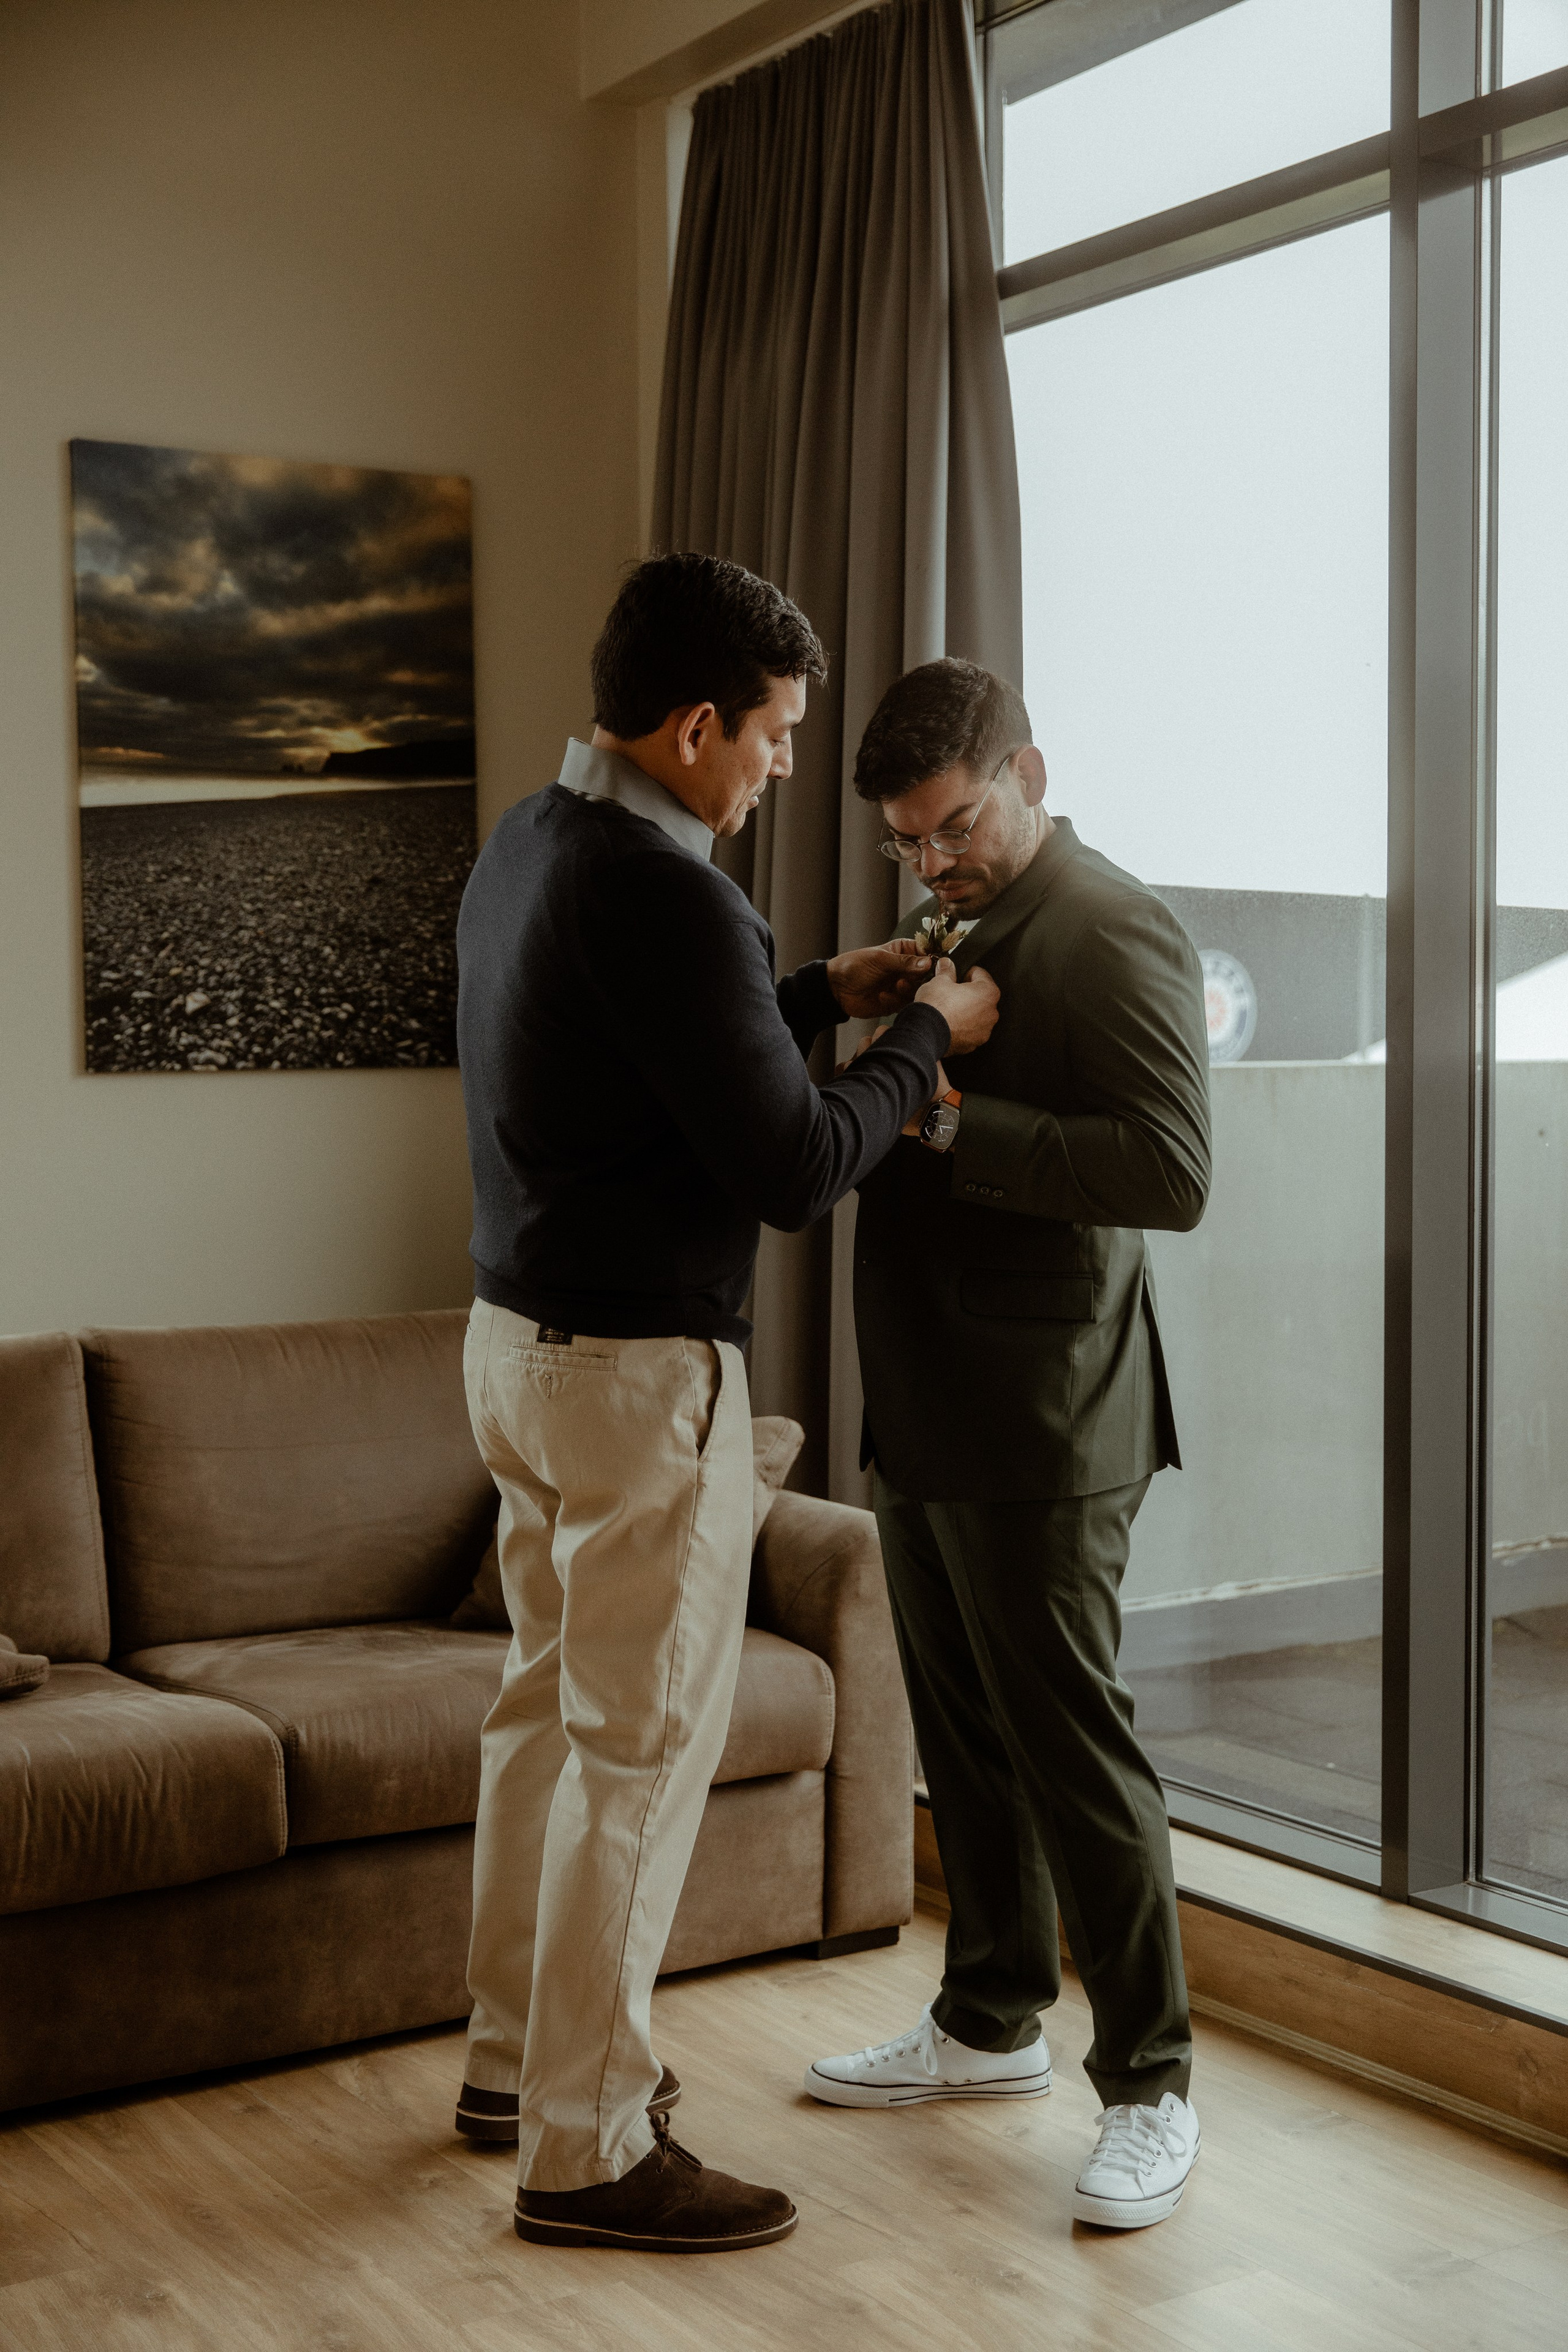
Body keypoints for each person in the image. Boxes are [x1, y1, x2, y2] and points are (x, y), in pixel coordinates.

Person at [453, 558, 1000, 2255]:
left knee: (543, 1727)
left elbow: (631, 1060)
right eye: (769, 739)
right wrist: (925, 1039)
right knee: (640, 1759)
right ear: (699, 727)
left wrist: (810, 995)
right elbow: (787, 1163)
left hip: (513, 1350)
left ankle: (510, 2068)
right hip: (635, 1384)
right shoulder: (677, 893)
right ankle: (590, 2145)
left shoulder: (531, 846)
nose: (775, 770)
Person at [804, 657, 1212, 2234]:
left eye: (959, 826)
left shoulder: (1114, 926)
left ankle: (1155, 2085)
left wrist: (949, 1119)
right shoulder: (963, 916)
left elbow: (1169, 1174)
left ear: (1030, 771)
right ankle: (985, 2025)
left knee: (1072, 1748)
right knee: (962, 1732)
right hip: (928, 1397)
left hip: (1048, 1413)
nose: (939, 861)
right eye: (914, 841)